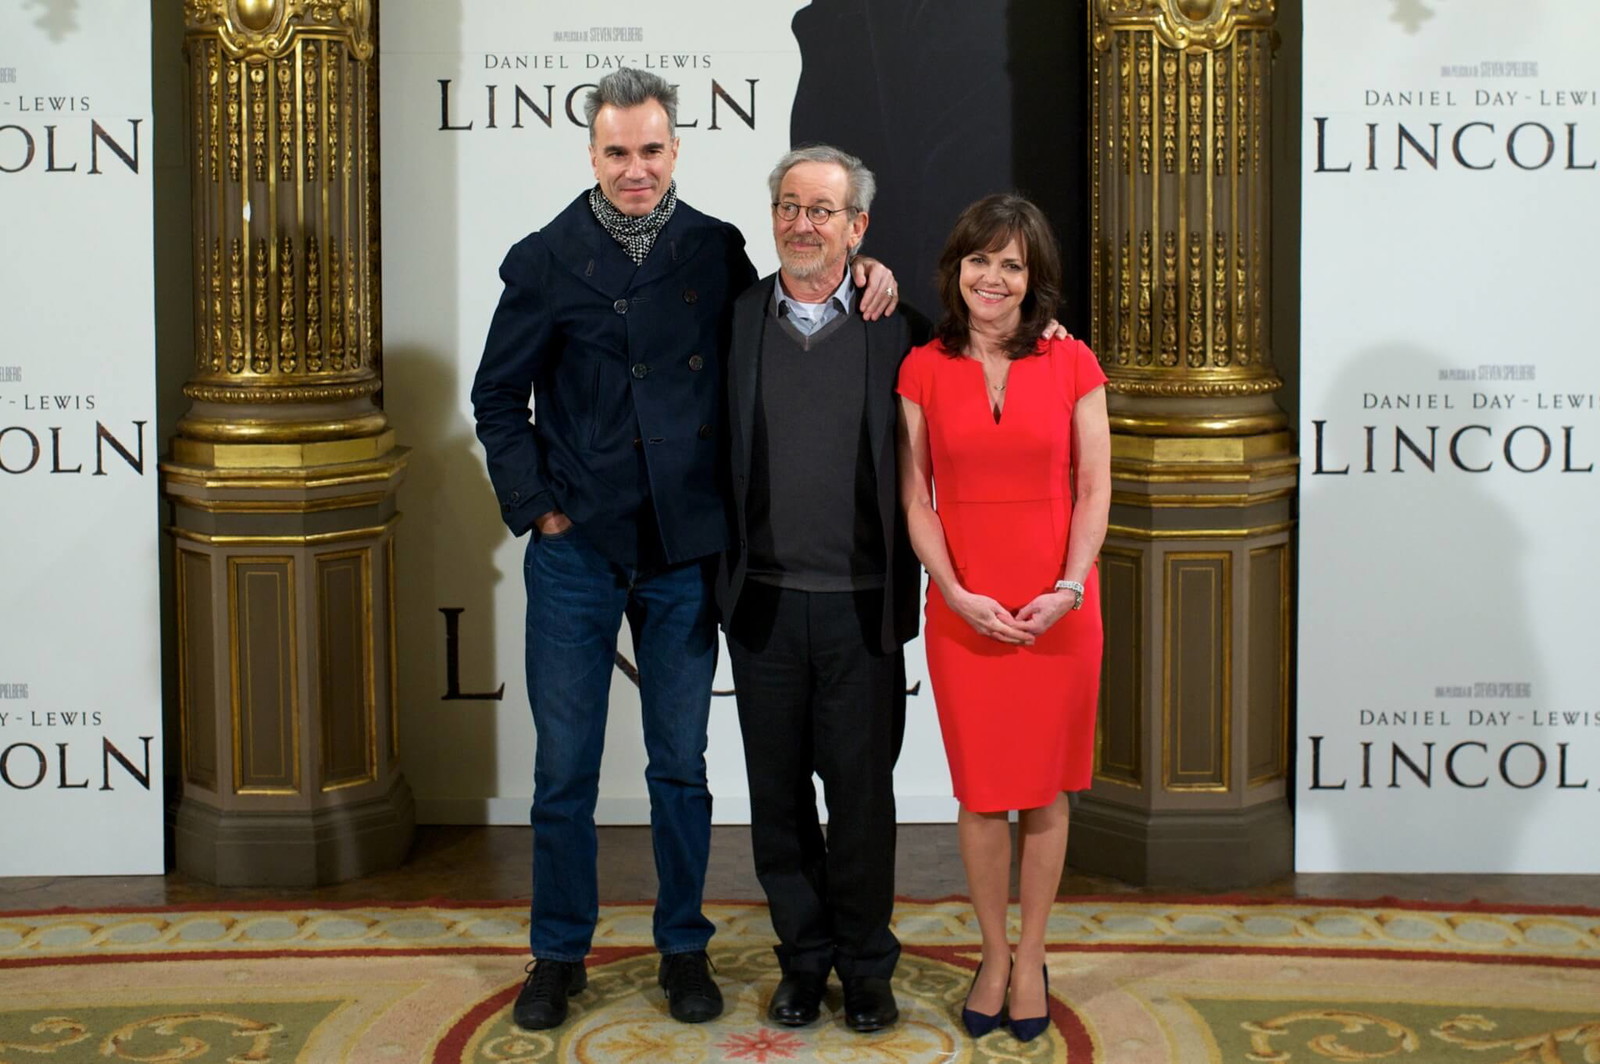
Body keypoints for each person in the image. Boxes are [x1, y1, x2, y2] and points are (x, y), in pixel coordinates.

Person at [471, 69, 897, 1032]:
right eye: (617, 151)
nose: (635, 168)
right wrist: (539, 508)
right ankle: (557, 953)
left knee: (679, 766)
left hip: (683, 553)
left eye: (651, 150)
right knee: (564, 769)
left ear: (675, 151)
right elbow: (498, 399)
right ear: (590, 153)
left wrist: (874, 272)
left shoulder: (714, 248)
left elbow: (789, 313)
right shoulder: (542, 259)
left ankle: (682, 947)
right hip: (578, 551)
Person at [718, 146, 929, 1033]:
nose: (803, 224)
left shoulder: (902, 327)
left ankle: (867, 967)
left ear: (858, 228)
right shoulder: (731, 321)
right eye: (789, 206)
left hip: (860, 605)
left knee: (863, 802)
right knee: (777, 805)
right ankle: (803, 962)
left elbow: (1003, 344)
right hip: (762, 603)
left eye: (824, 211)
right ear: (773, 216)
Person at [895, 194, 1110, 1043]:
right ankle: (992, 952)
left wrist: (1070, 585)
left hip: (1058, 608)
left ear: (1033, 280)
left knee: (1047, 793)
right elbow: (916, 496)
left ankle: (1032, 955)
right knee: (984, 797)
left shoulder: (1073, 362)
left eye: (1012, 264)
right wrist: (952, 590)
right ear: (957, 270)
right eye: (980, 260)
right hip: (964, 609)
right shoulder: (920, 368)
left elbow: (1095, 487)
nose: (993, 276)